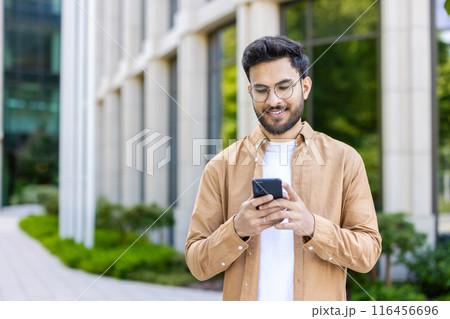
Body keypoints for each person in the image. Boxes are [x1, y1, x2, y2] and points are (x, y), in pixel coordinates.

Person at [185, 35, 382, 301]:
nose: (273, 100)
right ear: (250, 92)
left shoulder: (345, 160)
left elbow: (368, 254)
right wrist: (237, 229)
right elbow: (197, 264)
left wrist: (312, 226)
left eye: (284, 86)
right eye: (261, 89)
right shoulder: (220, 166)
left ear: (306, 87)